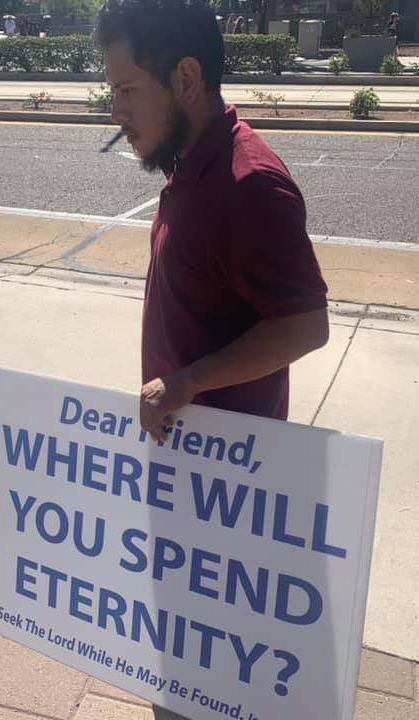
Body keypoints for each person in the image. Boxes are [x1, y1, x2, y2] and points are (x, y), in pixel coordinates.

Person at [97, 0, 330, 460]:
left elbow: (306, 326)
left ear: (186, 78)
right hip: (184, 448)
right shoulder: (189, 162)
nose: (116, 112)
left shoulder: (249, 186)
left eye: (127, 90)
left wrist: (188, 382)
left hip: (225, 467)